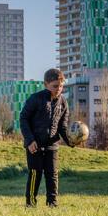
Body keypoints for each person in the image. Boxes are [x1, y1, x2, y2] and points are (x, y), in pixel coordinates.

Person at [19, 68, 74, 208]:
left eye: (61, 86)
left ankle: (52, 204)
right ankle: (30, 204)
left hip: (52, 145)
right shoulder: (35, 99)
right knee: (35, 174)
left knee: (52, 175)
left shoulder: (63, 103)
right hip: (35, 145)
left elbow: (63, 126)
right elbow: (23, 118)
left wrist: (70, 141)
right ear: (46, 84)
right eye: (55, 86)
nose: (58, 89)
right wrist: (30, 140)